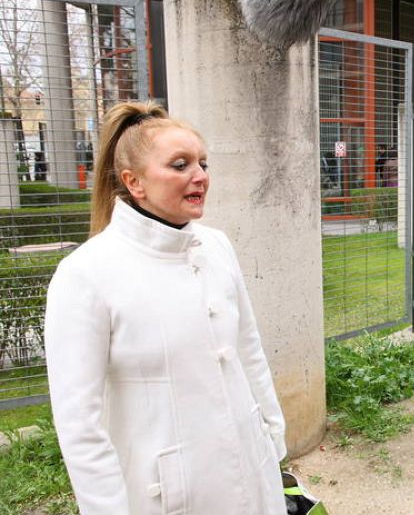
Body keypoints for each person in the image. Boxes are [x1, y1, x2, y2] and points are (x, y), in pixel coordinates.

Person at [44, 102, 288, 514]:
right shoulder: (85, 274)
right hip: (169, 494)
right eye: (180, 165)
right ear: (133, 182)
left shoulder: (216, 246)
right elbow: (79, 425)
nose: (200, 177)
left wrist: (272, 438)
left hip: (251, 466)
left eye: (203, 163)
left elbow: (248, 348)